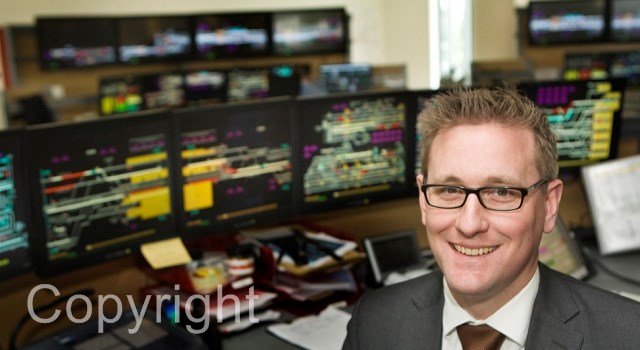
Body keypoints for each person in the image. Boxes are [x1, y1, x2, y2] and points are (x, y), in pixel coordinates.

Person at [343, 84, 640, 349]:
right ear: (423, 199)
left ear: (549, 204)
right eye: (449, 190)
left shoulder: (628, 337)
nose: (469, 224)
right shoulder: (374, 321)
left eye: (501, 192)